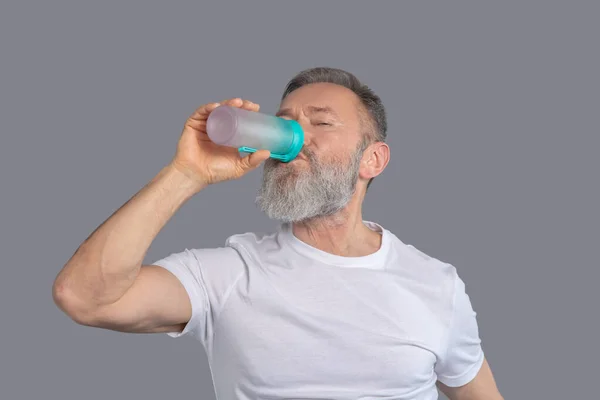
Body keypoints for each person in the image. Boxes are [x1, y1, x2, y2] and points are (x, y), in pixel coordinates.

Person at [53, 67, 503, 400]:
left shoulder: (435, 285)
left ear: (373, 160)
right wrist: (185, 173)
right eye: (285, 121)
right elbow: (85, 297)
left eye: (320, 122)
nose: (292, 136)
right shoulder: (227, 274)